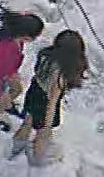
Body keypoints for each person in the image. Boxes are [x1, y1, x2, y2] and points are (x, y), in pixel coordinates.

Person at [11, 30, 88, 164]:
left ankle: (15, 151)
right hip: (45, 102)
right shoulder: (60, 75)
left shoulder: (45, 55)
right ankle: (36, 163)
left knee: (27, 124)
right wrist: (47, 127)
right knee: (42, 135)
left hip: (34, 92)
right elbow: (52, 103)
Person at [0, 10, 44, 128]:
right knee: (3, 102)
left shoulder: (15, 38)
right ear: (26, 37)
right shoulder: (8, 50)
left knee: (17, 89)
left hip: (7, 70)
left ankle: (8, 103)